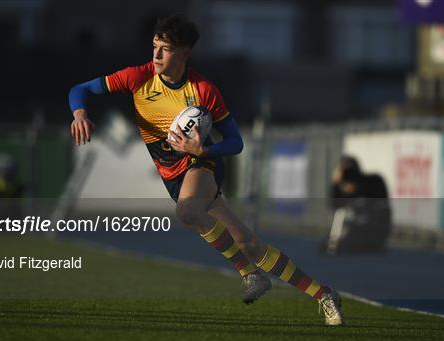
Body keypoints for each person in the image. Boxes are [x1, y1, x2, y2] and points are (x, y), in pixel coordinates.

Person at [68, 14, 343, 325]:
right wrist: (79, 114)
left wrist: (204, 149)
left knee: (187, 211)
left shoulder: (203, 90)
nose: (156, 55)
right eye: (155, 46)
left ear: (184, 54)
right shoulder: (137, 77)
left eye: (166, 49)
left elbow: (235, 142)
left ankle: (250, 275)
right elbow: (80, 89)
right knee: (249, 243)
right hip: (172, 174)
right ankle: (323, 294)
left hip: (203, 163)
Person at [325, 155, 391, 255]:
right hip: (357, 232)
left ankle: (363, 243)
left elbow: (380, 211)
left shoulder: (374, 181)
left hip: (373, 233)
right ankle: (339, 243)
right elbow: (334, 205)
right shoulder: (346, 189)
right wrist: (335, 184)